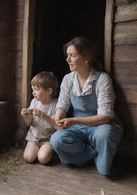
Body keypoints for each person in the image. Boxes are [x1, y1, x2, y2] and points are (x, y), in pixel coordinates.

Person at [50, 37, 123, 175]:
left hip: (102, 125)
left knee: (104, 166)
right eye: (67, 55)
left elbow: (105, 116)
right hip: (80, 126)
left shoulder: (102, 79)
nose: (68, 59)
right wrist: (59, 116)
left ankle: (98, 155)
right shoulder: (68, 79)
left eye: (72, 55)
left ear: (86, 58)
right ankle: (92, 153)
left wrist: (73, 120)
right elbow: (62, 104)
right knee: (56, 139)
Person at [21, 71, 59, 164]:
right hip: (34, 137)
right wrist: (27, 116)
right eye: (33, 89)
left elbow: (57, 125)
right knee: (28, 158)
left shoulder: (56, 104)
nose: (33, 93)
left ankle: (51, 150)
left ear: (49, 91)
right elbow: (28, 123)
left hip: (48, 138)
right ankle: (37, 149)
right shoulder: (34, 102)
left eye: (37, 89)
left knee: (43, 159)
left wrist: (43, 115)